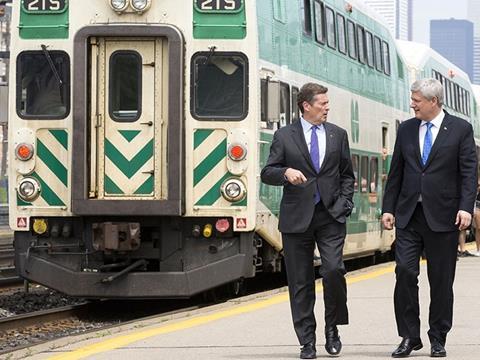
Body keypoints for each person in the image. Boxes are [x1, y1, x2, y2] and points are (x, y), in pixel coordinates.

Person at [382, 78, 477, 358]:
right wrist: (388, 208)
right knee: (405, 273)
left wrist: (465, 208)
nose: (412, 104)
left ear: (433, 101)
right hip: (410, 215)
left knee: (441, 279)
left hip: (445, 217)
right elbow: (396, 171)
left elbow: (468, 173)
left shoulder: (460, 129)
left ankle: (438, 336)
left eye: (417, 100)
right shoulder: (407, 129)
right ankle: (409, 336)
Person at [261, 83, 354, 359]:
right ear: (306, 106)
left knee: (334, 270)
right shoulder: (284, 135)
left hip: (331, 215)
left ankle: (333, 328)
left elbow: (347, 174)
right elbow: (268, 172)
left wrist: (345, 203)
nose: (327, 107)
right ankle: (307, 341)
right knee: (300, 282)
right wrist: (286, 172)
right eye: (322, 103)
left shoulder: (338, 135)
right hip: (296, 217)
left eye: (327, 103)